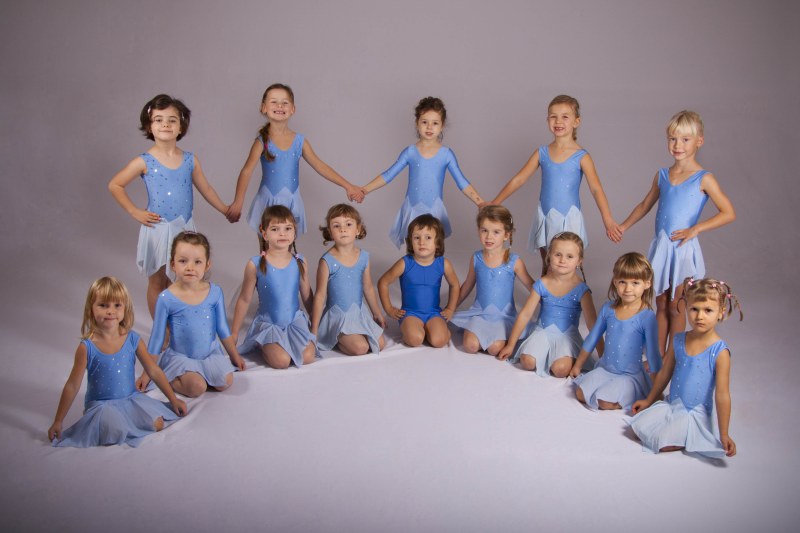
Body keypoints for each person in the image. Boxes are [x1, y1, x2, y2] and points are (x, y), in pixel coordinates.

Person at [619, 110, 735, 353]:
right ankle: (657, 357)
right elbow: (644, 205)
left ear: (699, 141)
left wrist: (696, 229)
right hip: (662, 247)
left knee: (676, 305)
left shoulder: (704, 178)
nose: (677, 145)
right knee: (660, 302)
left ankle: (673, 358)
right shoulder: (662, 175)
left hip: (682, 249)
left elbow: (728, 212)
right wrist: (623, 226)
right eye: (672, 139)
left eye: (685, 139)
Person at [109, 94, 231, 318]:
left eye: (172, 120)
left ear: (181, 126)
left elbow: (206, 189)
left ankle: (182, 323)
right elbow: (115, 184)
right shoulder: (144, 161)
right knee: (157, 281)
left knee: (186, 278)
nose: (165, 124)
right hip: (157, 227)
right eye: (159, 120)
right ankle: (160, 330)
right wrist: (134, 212)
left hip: (184, 228)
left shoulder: (190, 160)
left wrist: (225, 209)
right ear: (149, 126)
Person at [487, 95, 620, 274]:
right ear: (547, 120)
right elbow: (519, 179)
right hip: (546, 215)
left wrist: (608, 220)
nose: (558, 121)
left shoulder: (582, 156)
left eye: (565, 116)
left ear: (576, 121)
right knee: (548, 262)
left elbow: (596, 189)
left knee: (567, 263)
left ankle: (569, 291)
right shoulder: (542, 153)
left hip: (569, 218)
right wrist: (495, 202)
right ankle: (546, 290)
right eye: (553, 116)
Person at [49, 277, 187, 447]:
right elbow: (72, 385)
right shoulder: (87, 347)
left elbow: (153, 371)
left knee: (157, 423)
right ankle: (109, 423)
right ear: (91, 308)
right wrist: (58, 421)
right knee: (115, 430)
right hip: (102, 405)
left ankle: (127, 423)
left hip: (130, 399)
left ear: (125, 308)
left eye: (117, 305)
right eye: (103, 305)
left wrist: (173, 399)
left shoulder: (133, 339)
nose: (110, 311)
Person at [226, 83, 364, 233]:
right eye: (274, 102)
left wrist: (348, 186)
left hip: (291, 200)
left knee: (287, 242)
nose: (279, 106)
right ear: (264, 107)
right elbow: (246, 171)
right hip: (267, 201)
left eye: (285, 103)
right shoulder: (262, 142)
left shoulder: (299, 142)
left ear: (293, 109)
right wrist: (238, 202)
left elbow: (320, 166)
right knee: (268, 243)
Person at [629, 278, 742, 458]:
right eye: (694, 309)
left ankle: (684, 433)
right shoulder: (679, 340)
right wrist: (649, 400)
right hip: (672, 405)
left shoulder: (720, 352)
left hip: (693, 413)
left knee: (660, 441)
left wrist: (724, 434)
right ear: (686, 308)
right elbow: (665, 373)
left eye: (708, 310)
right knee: (637, 427)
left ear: (721, 312)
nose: (700, 316)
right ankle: (670, 425)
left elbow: (722, 394)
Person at [362, 97, 485, 248]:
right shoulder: (410, 152)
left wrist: (480, 202)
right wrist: (364, 190)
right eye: (424, 122)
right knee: (413, 248)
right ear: (417, 123)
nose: (429, 127)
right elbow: (388, 175)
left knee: (433, 249)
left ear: (442, 126)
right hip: (412, 208)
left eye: (435, 123)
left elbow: (462, 182)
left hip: (434, 209)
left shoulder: (446, 154)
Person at [138, 232, 245, 397]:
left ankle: (200, 373)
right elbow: (157, 338)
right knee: (197, 388)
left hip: (208, 354)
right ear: (173, 264)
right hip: (181, 356)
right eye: (183, 261)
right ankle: (170, 375)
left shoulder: (215, 292)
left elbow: (222, 328)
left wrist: (234, 356)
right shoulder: (167, 298)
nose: (190, 267)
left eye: (197, 262)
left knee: (225, 381)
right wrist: (148, 373)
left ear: (207, 265)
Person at [498, 232, 599, 378]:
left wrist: (602, 356)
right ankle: (544, 355)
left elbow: (593, 325)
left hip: (566, 336)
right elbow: (525, 314)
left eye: (569, 256)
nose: (562, 260)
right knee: (527, 362)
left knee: (560, 370)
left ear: (579, 261)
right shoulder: (542, 284)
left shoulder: (582, 290)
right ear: (549, 256)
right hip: (542, 331)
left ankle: (561, 358)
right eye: (558, 254)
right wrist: (510, 345)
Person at [569, 252, 661, 410]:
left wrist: (656, 392)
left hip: (629, 375)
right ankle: (609, 388)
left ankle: (630, 394)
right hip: (606, 369)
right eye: (623, 282)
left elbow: (653, 354)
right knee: (580, 394)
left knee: (603, 402)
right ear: (615, 281)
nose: (628, 289)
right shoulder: (608, 309)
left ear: (647, 283)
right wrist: (578, 365)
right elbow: (593, 338)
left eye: (635, 283)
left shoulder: (647, 316)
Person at [232, 205, 318, 368]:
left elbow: (307, 295)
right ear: (264, 234)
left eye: (287, 228)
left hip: (294, 321)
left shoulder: (299, 261)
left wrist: (315, 322)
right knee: (281, 361)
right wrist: (235, 333)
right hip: (269, 323)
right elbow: (244, 300)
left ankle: (289, 340)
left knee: (307, 357)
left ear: (294, 232)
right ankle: (262, 343)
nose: (282, 233)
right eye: (275, 229)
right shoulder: (255, 264)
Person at [450, 205, 534, 356]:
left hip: (503, 316)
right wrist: (451, 307)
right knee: (470, 346)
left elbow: (532, 286)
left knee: (495, 349)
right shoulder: (476, 258)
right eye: (484, 230)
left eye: (496, 232)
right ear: (478, 231)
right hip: (480, 313)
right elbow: (467, 285)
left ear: (506, 235)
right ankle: (478, 333)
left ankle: (497, 337)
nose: (489, 237)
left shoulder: (514, 261)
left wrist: (550, 298)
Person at [311, 204, 386, 355]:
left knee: (380, 344)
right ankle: (336, 336)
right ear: (330, 232)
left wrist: (377, 312)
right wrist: (314, 329)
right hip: (339, 316)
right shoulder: (327, 261)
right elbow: (320, 295)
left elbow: (368, 287)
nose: (343, 229)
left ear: (358, 229)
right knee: (361, 348)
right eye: (336, 226)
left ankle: (356, 332)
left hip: (358, 312)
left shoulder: (364, 257)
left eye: (348, 224)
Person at [378, 214, 460, 348]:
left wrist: (450, 308)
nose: (422, 242)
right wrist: (389, 309)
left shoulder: (443, 263)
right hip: (410, 313)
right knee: (415, 340)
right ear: (410, 241)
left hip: (433, 312)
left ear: (438, 242)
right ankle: (416, 330)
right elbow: (383, 282)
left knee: (439, 341)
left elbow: (455, 284)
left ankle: (436, 331)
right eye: (417, 237)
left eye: (428, 237)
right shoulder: (405, 263)